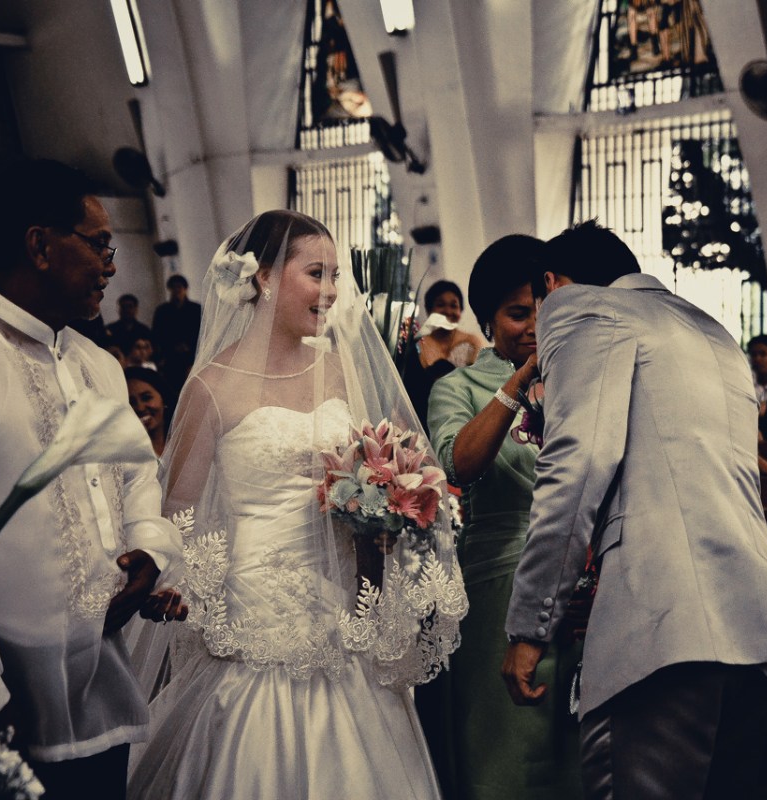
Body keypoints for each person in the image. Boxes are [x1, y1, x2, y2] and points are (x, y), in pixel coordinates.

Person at [127, 210, 467, 800]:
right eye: (316, 273)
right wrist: (183, 582)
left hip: (341, 599)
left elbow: (384, 461)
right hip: (253, 605)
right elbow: (179, 512)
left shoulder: (338, 371)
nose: (331, 291)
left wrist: (390, 501)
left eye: (336, 275)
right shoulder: (210, 387)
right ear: (263, 277)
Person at [501, 221, 767, 797]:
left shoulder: (581, 310)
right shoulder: (712, 331)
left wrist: (529, 625)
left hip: (662, 626)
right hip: (758, 625)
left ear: (551, 283)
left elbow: (576, 465)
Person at [0, 159, 183, 800]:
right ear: (40, 245)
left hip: (103, 682)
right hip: (9, 706)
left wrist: (149, 549)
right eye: (98, 244)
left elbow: (136, 474)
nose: (110, 266)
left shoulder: (99, 365)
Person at [424, 236, 581, 800]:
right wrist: (518, 381)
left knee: (579, 751)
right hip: (499, 588)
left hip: (584, 582)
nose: (537, 325)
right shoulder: (458, 386)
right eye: (519, 314)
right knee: (507, 753)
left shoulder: (583, 380)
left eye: (546, 308)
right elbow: (458, 464)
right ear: (487, 321)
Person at [403, 280, 485, 433]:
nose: (447, 311)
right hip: (426, 421)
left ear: (461, 310)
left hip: (467, 420)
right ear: (429, 309)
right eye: (440, 305)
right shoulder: (418, 344)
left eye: (454, 305)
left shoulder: (472, 342)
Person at [151, 274, 201, 370]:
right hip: (169, 357)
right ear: (170, 290)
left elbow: (201, 332)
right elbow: (157, 334)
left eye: (179, 287)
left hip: (193, 356)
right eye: (173, 287)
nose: (176, 290)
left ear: (185, 289)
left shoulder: (196, 309)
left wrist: (189, 346)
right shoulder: (162, 311)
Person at [125, 366, 170, 457]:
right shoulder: (126, 454)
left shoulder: (186, 438)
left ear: (164, 398)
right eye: (131, 403)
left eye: (146, 398)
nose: (140, 408)